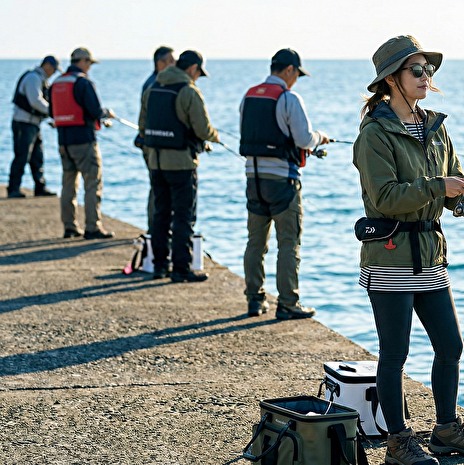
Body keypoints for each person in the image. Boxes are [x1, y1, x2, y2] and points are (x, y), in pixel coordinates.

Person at [352, 35, 464, 464]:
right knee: (395, 354)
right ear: (391, 80)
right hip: (390, 257)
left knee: (450, 346)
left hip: (430, 256)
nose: (425, 77)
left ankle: (446, 430)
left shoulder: (435, 126)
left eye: (428, 70)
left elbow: (454, 181)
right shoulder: (374, 134)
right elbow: (385, 198)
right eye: (416, 70)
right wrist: (438, 187)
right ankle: (398, 443)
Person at [239, 48, 329, 319]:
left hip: (253, 179)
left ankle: (255, 300)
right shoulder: (289, 98)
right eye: (297, 74)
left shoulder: (249, 95)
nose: (296, 80)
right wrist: (320, 137)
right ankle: (288, 303)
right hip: (282, 182)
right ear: (289, 70)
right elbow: (304, 139)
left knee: (255, 243)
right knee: (288, 243)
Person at [138, 50, 219, 283]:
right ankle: (181, 268)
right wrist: (215, 137)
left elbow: (142, 127)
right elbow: (203, 129)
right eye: (198, 73)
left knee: (160, 214)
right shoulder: (189, 91)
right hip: (182, 163)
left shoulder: (153, 88)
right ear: (193, 69)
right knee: (183, 216)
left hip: (156, 162)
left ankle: (159, 266)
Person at [50, 47, 115, 239]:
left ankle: (69, 226)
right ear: (83, 61)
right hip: (84, 140)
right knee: (92, 183)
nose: (89, 68)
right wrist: (107, 113)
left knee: (68, 185)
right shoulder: (83, 82)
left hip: (63, 140)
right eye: (89, 64)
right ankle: (92, 226)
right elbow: (95, 111)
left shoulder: (56, 82)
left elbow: (51, 112)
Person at [135, 46, 176, 235]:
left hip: (150, 142)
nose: (175, 65)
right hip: (154, 145)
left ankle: (157, 228)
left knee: (158, 186)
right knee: (159, 187)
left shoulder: (152, 83)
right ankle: (156, 229)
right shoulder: (155, 84)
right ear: (160, 64)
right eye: (171, 61)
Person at [7, 55, 60, 198]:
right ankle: (13, 188)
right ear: (47, 65)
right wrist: (54, 113)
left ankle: (40, 187)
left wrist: (50, 117)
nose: (53, 73)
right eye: (54, 69)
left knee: (37, 157)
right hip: (24, 123)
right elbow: (36, 102)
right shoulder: (33, 78)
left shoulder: (40, 79)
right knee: (22, 156)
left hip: (33, 124)